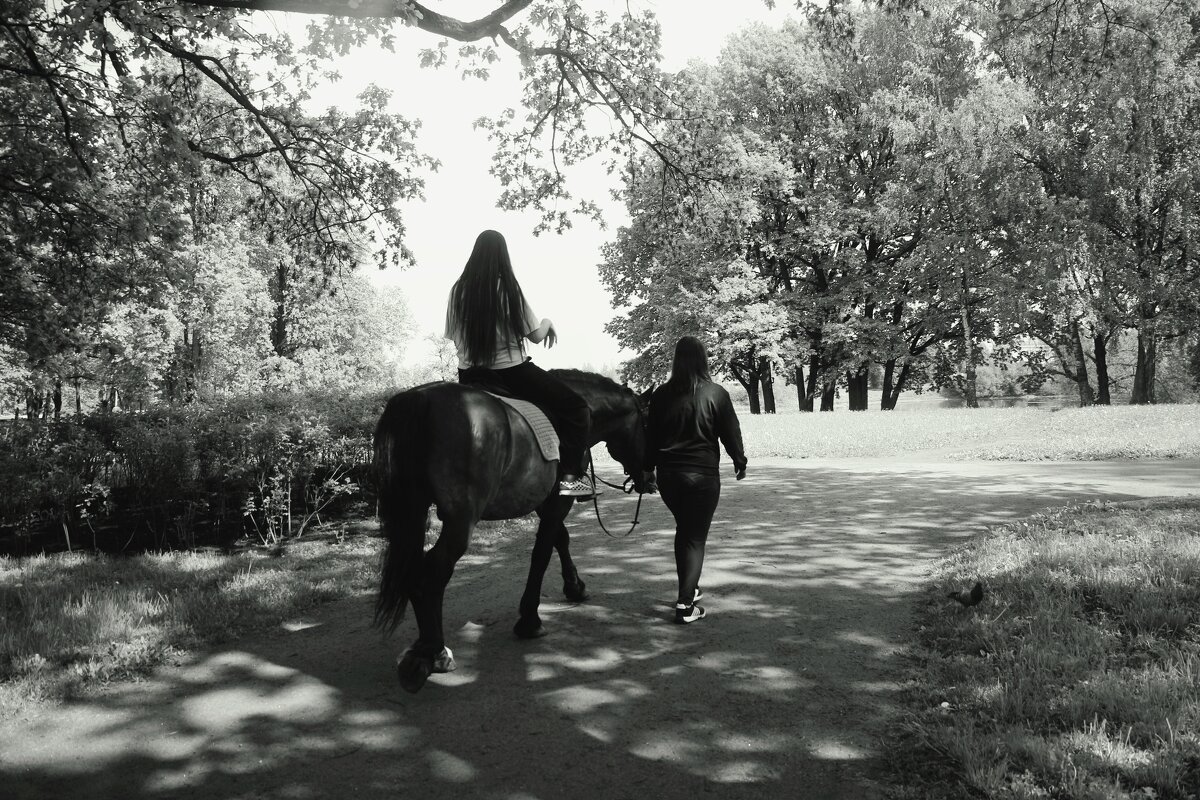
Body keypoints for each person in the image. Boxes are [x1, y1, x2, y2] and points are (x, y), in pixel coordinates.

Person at [444, 229, 595, 497]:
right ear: (503, 256)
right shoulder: (508, 289)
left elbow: (454, 338)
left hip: (468, 377)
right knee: (577, 407)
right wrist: (548, 322)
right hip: (511, 373)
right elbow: (536, 336)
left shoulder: (457, 290)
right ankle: (571, 478)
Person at [644, 336, 747, 624]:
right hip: (702, 477)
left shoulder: (661, 395)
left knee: (686, 531)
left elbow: (651, 437)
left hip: (669, 478)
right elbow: (731, 432)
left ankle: (690, 586)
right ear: (703, 360)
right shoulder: (716, 393)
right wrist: (740, 461)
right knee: (694, 537)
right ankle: (685, 605)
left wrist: (646, 468)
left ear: (677, 360)